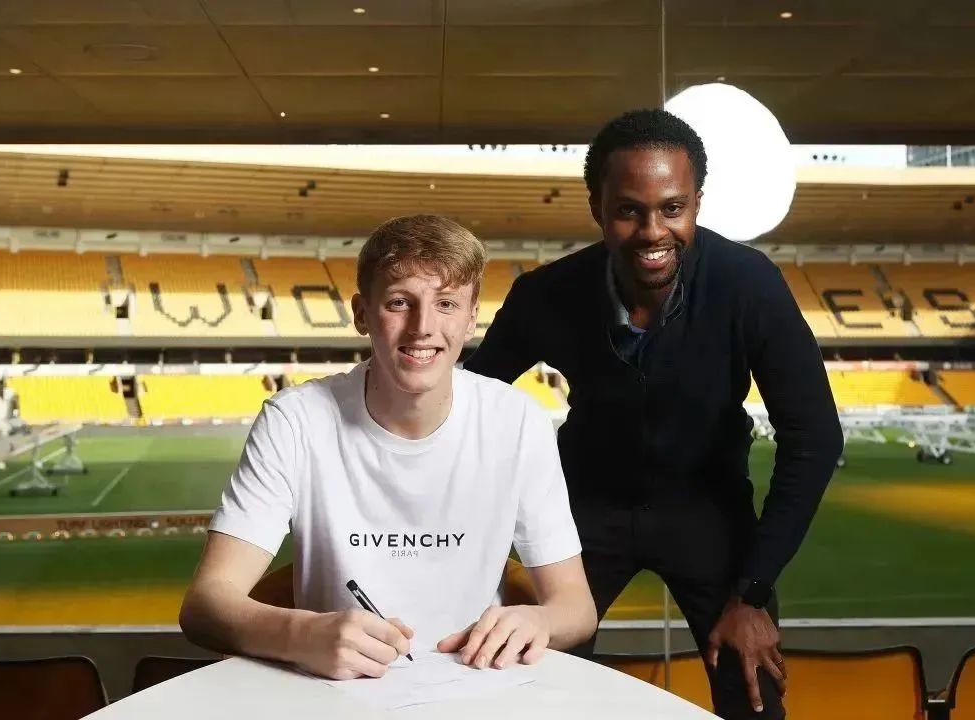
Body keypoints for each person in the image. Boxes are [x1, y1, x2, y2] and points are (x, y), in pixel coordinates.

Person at [465, 109, 843, 719]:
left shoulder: (750, 284)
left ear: (697, 204)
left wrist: (753, 591)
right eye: (628, 210)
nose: (652, 231)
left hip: (711, 514)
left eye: (673, 208)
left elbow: (815, 438)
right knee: (524, 680)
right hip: (584, 513)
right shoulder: (546, 293)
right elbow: (468, 404)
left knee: (753, 687)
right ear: (597, 208)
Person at [180, 214, 597, 681]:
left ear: (471, 317)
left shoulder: (517, 420)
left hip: (476, 684)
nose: (423, 327)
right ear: (362, 313)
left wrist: (540, 620)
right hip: (334, 691)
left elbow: (576, 609)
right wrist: (301, 635)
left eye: (446, 303)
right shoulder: (294, 420)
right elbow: (205, 605)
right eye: (400, 302)